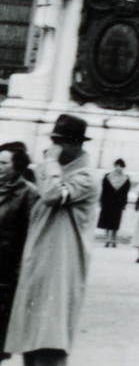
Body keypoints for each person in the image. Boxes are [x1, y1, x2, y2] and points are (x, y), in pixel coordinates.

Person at [3, 114, 99, 366]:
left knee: (50, 342)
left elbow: (53, 195)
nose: (53, 147)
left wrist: (50, 162)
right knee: (30, 343)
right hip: (37, 266)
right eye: (53, 141)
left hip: (61, 269)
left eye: (59, 141)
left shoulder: (86, 176)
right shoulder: (52, 171)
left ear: (76, 144)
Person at [0, 143, 39, 359]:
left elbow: (31, 236)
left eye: (3, 163)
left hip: (5, 276)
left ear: (18, 166)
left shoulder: (28, 193)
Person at [95, 161, 129, 249]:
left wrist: (124, 202)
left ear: (123, 167)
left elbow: (125, 192)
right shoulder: (107, 177)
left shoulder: (126, 178)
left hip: (118, 203)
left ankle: (113, 240)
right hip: (108, 202)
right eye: (117, 166)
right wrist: (101, 201)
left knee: (115, 223)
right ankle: (107, 240)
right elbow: (104, 190)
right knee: (107, 222)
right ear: (115, 166)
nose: (119, 168)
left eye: (121, 166)